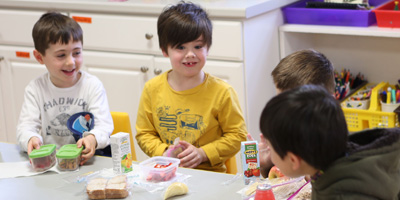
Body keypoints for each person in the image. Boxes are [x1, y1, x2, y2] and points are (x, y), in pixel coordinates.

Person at [135, 1, 247, 172]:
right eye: (180, 47)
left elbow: (237, 136)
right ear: (165, 50)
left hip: (210, 177)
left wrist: (203, 153)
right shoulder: (152, 89)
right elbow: (145, 133)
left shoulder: (222, 92)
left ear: (207, 48)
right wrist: (163, 153)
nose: (190, 55)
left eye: (198, 46)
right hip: (166, 172)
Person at [260, 84, 400, 199]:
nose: (270, 153)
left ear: (294, 160)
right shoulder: (336, 161)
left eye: (271, 148)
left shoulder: (340, 194)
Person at [16, 12, 113, 165]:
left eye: (77, 53)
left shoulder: (92, 85)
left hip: (85, 163)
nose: (71, 62)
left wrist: (92, 138)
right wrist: (31, 138)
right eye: (61, 55)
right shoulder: (35, 89)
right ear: (40, 57)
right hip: (51, 164)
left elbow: (104, 126)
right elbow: (25, 127)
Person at [248, 49, 335, 178]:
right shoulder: (289, 132)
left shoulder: (332, 145)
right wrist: (269, 165)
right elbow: (283, 183)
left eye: (289, 105)